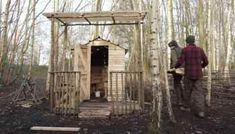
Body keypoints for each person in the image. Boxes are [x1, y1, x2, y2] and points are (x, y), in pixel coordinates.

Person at [175, 35, 208, 118]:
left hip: (188, 74)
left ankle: (187, 107)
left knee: (187, 91)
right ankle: (201, 112)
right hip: (198, 74)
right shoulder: (200, 50)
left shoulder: (185, 50)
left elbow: (180, 61)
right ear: (194, 41)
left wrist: (175, 67)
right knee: (199, 93)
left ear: (187, 42)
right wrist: (201, 66)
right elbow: (206, 61)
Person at [168, 40, 184, 106]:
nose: (170, 48)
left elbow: (174, 61)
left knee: (176, 84)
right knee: (179, 83)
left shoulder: (173, 50)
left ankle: (179, 101)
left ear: (172, 46)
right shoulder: (181, 49)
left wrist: (172, 69)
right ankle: (183, 98)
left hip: (176, 69)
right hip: (182, 69)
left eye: (170, 47)